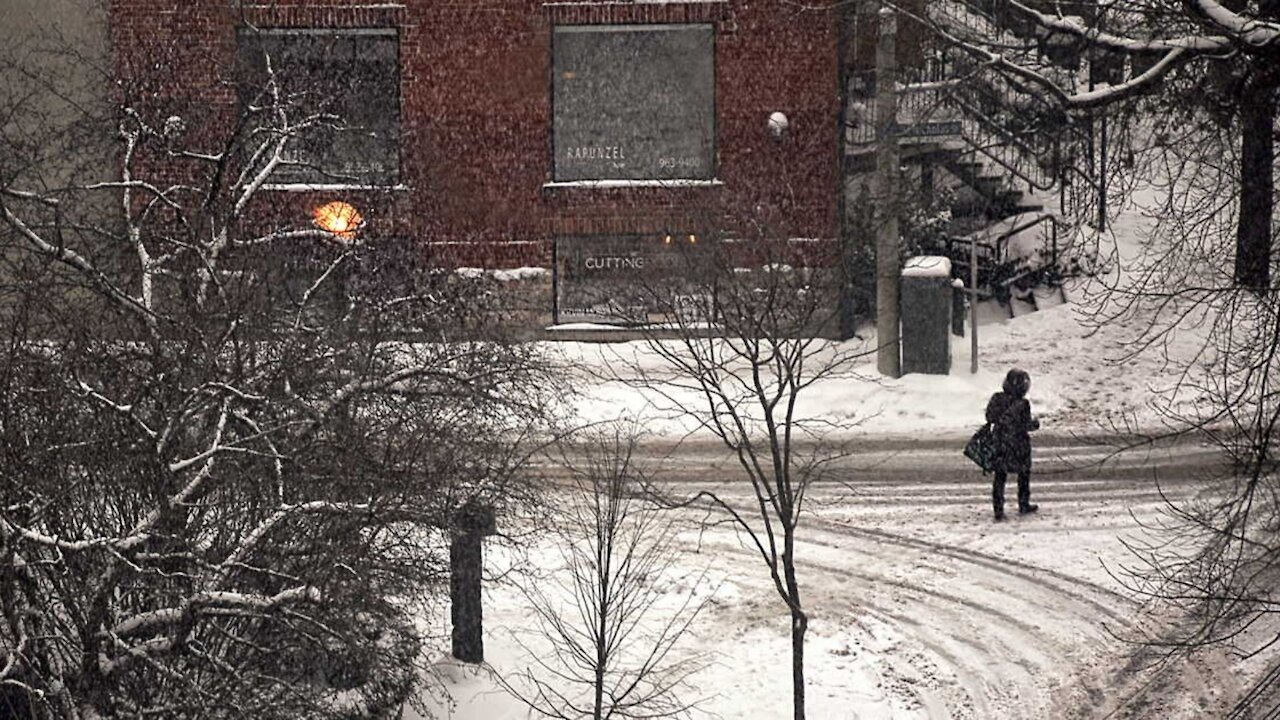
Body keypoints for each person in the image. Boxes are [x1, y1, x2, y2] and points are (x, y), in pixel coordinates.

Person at [985, 368, 1040, 521]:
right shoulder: (1023, 404)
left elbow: (989, 416)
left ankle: (998, 509)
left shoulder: (996, 398)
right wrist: (1035, 424)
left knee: (1000, 476)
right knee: (1023, 474)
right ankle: (1023, 503)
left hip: (1000, 441)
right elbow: (1026, 425)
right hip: (1018, 443)